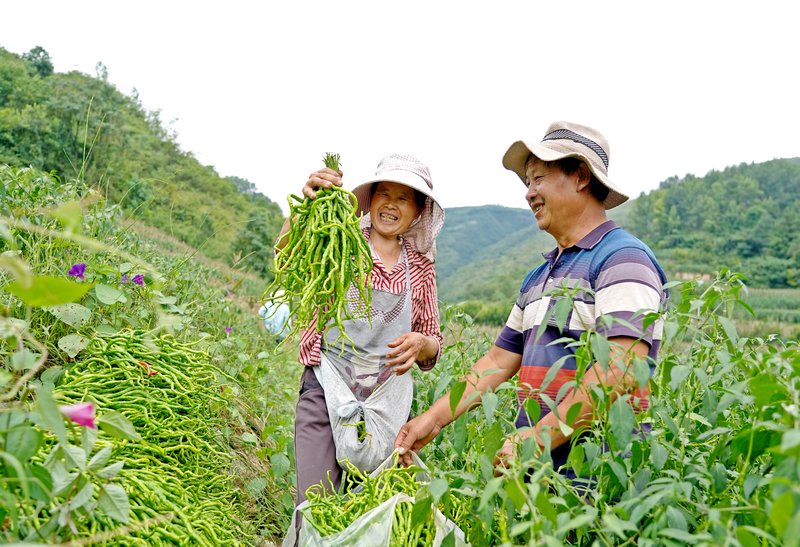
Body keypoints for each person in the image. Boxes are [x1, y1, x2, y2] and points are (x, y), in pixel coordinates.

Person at [394, 121, 669, 479]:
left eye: (538, 179)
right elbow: (497, 360)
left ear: (581, 176)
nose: (529, 193)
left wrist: (539, 438)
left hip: (601, 479)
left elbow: (622, 368)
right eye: (528, 183)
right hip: (540, 479)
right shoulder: (539, 278)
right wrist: (431, 420)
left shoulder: (622, 259)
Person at [278, 154, 445, 512]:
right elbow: (287, 255)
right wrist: (308, 205)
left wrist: (421, 343)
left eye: (403, 198)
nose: (391, 205)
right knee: (314, 505)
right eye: (384, 193)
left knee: (362, 512)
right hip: (326, 389)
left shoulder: (420, 266)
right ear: (370, 200)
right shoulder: (342, 238)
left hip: (384, 408)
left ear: (417, 211)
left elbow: (434, 342)